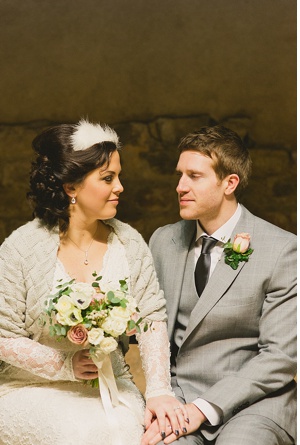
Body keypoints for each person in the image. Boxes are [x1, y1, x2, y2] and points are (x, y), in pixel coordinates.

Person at [0, 120, 185, 444]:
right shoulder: (21, 248)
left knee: (121, 432)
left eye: (119, 176)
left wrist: (158, 391)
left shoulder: (129, 242)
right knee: (74, 433)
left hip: (110, 384)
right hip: (30, 387)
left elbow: (151, 320)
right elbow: (3, 336)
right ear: (71, 187)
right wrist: (65, 364)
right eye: (108, 178)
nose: (120, 187)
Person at [143, 125, 296, 445]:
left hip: (253, 404)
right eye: (179, 174)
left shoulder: (282, 249)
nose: (180, 186)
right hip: (179, 397)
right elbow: (148, 324)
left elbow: (280, 357)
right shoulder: (162, 241)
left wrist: (202, 410)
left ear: (230, 183)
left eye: (194, 176)